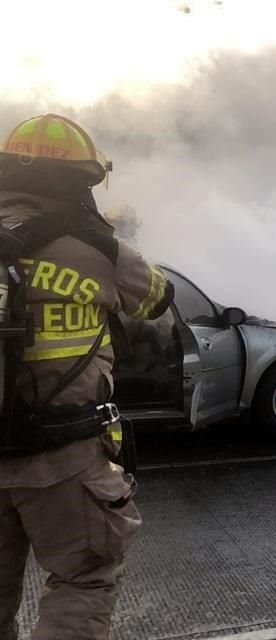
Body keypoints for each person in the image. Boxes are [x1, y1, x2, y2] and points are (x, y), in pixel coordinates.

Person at [0, 113, 174, 639]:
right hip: (64, 457)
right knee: (83, 581)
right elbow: (157, 299)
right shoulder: (99, 249)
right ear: (85, 179)